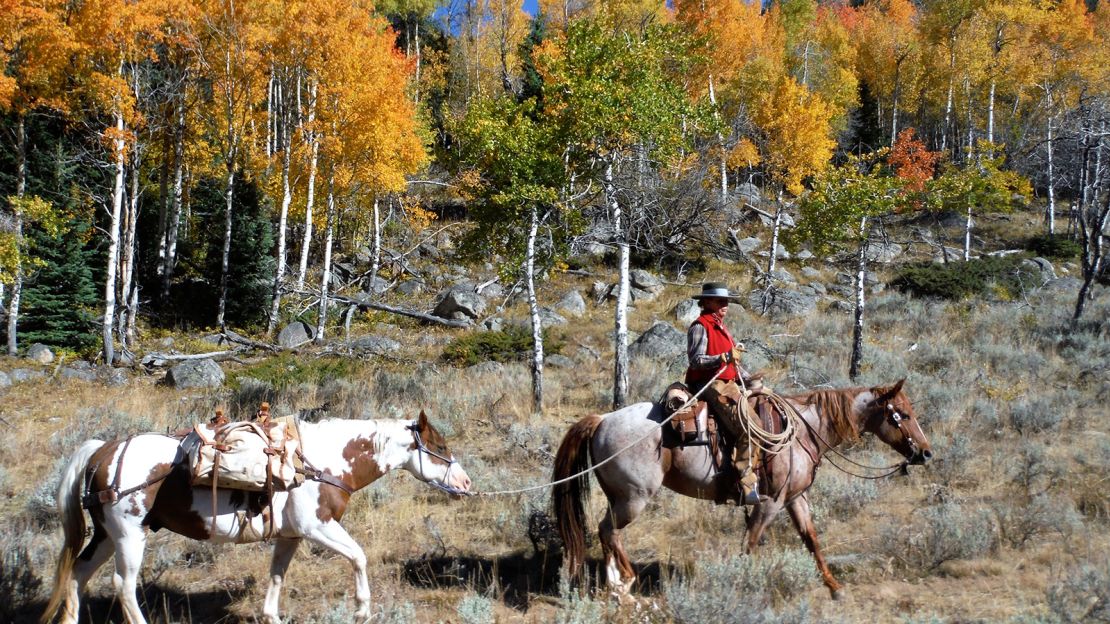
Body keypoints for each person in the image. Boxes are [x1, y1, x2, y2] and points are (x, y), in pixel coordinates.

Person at [685, 282, 760, 506]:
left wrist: (750, 378)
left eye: (726, 301)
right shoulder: (700, 325)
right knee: (750, 425)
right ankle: (745, 481)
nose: (725, 305)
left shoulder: (720, 326)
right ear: (706, 302)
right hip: (710, 384)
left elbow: (731, 363)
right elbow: (696, 360)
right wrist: (723, 357)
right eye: (720, 301)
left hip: (726, 381)